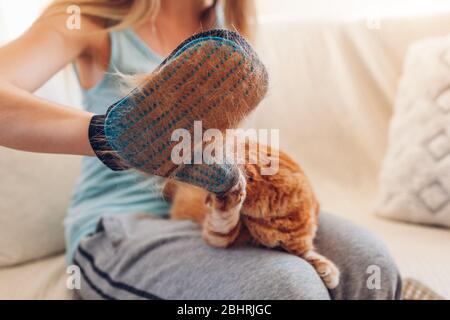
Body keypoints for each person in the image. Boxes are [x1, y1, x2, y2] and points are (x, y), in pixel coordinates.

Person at [0, 0, 401, 300]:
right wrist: (110, 136)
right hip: (119, 226)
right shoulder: (90, 20)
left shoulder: (226, 23)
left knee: (370, 264)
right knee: (287, 289)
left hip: (212, 212)